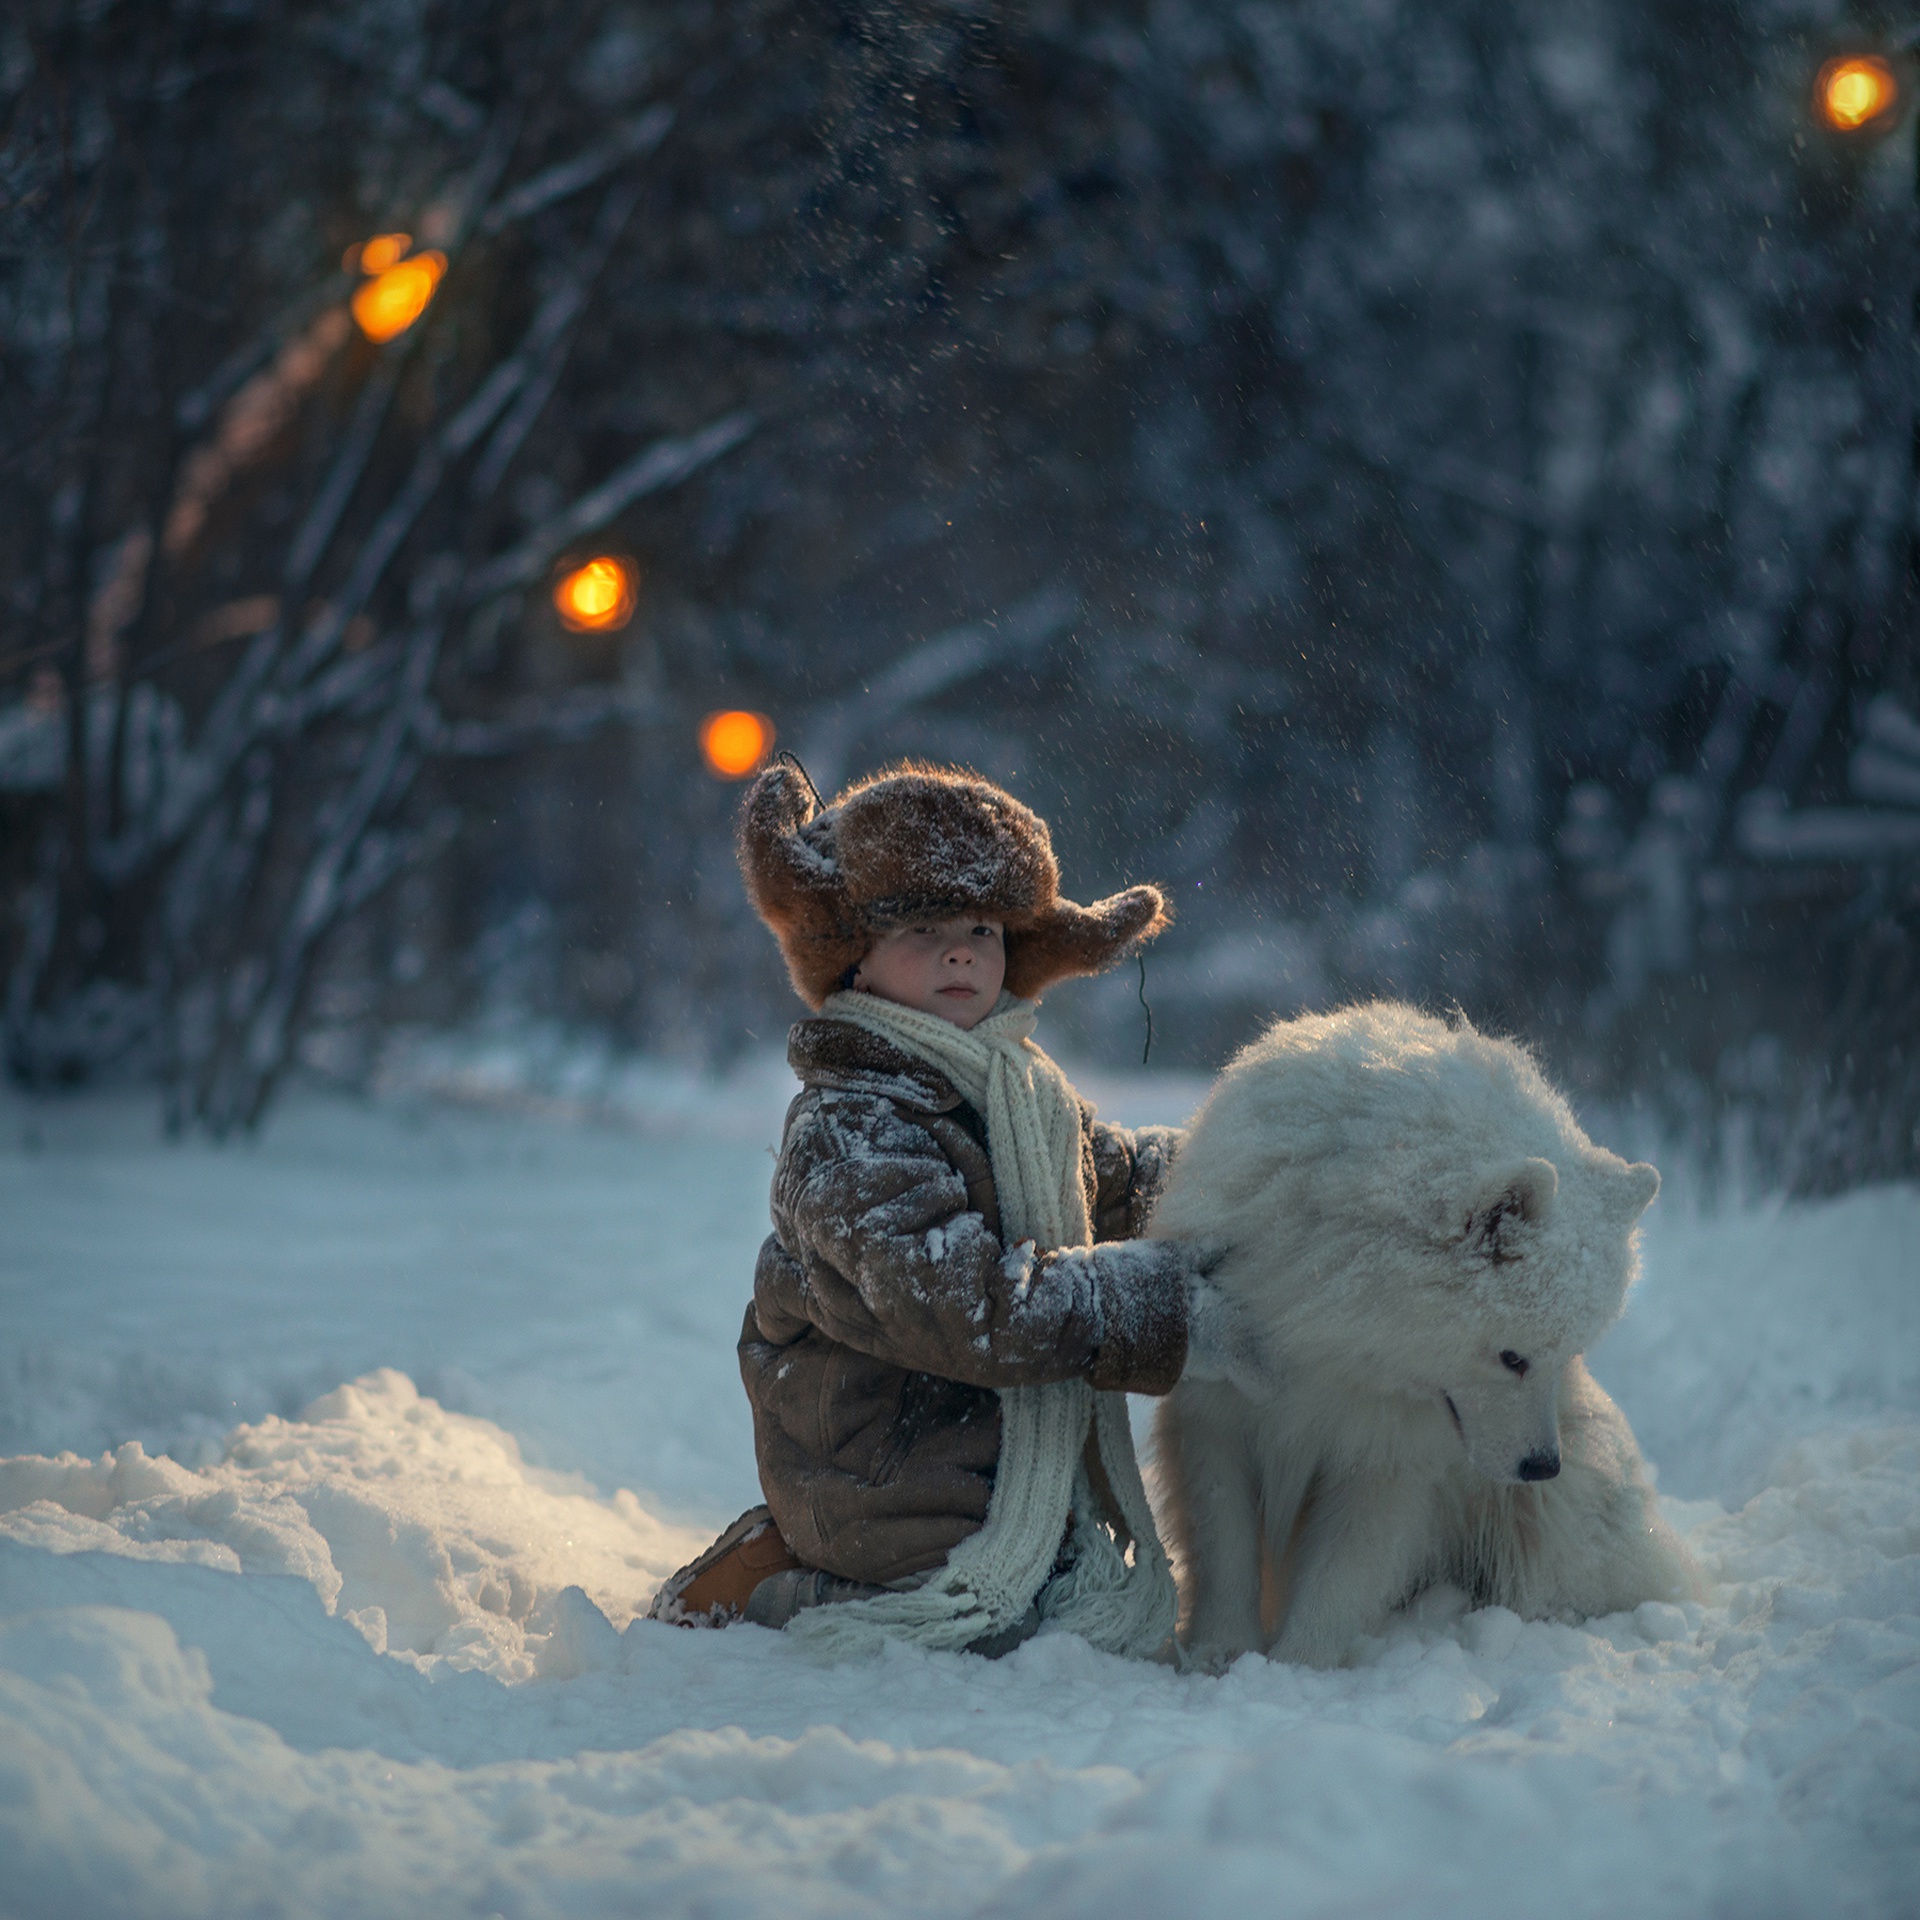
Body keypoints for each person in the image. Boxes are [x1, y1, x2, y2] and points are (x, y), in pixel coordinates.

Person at [650, 760, 1248, 1658]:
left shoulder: (1014, 1094)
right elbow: (961, 1304)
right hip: (881, 1470)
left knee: (1066, 1603)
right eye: (923, 927)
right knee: (995, 1627)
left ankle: (923, 1556)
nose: (962, 951)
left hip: (982, 1455)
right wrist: (1163, 1309)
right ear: (853, 950)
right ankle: (792, 1581)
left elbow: (1116, 1178)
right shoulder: (851, 1127)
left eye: (981, 927)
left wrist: (1258, 1174)